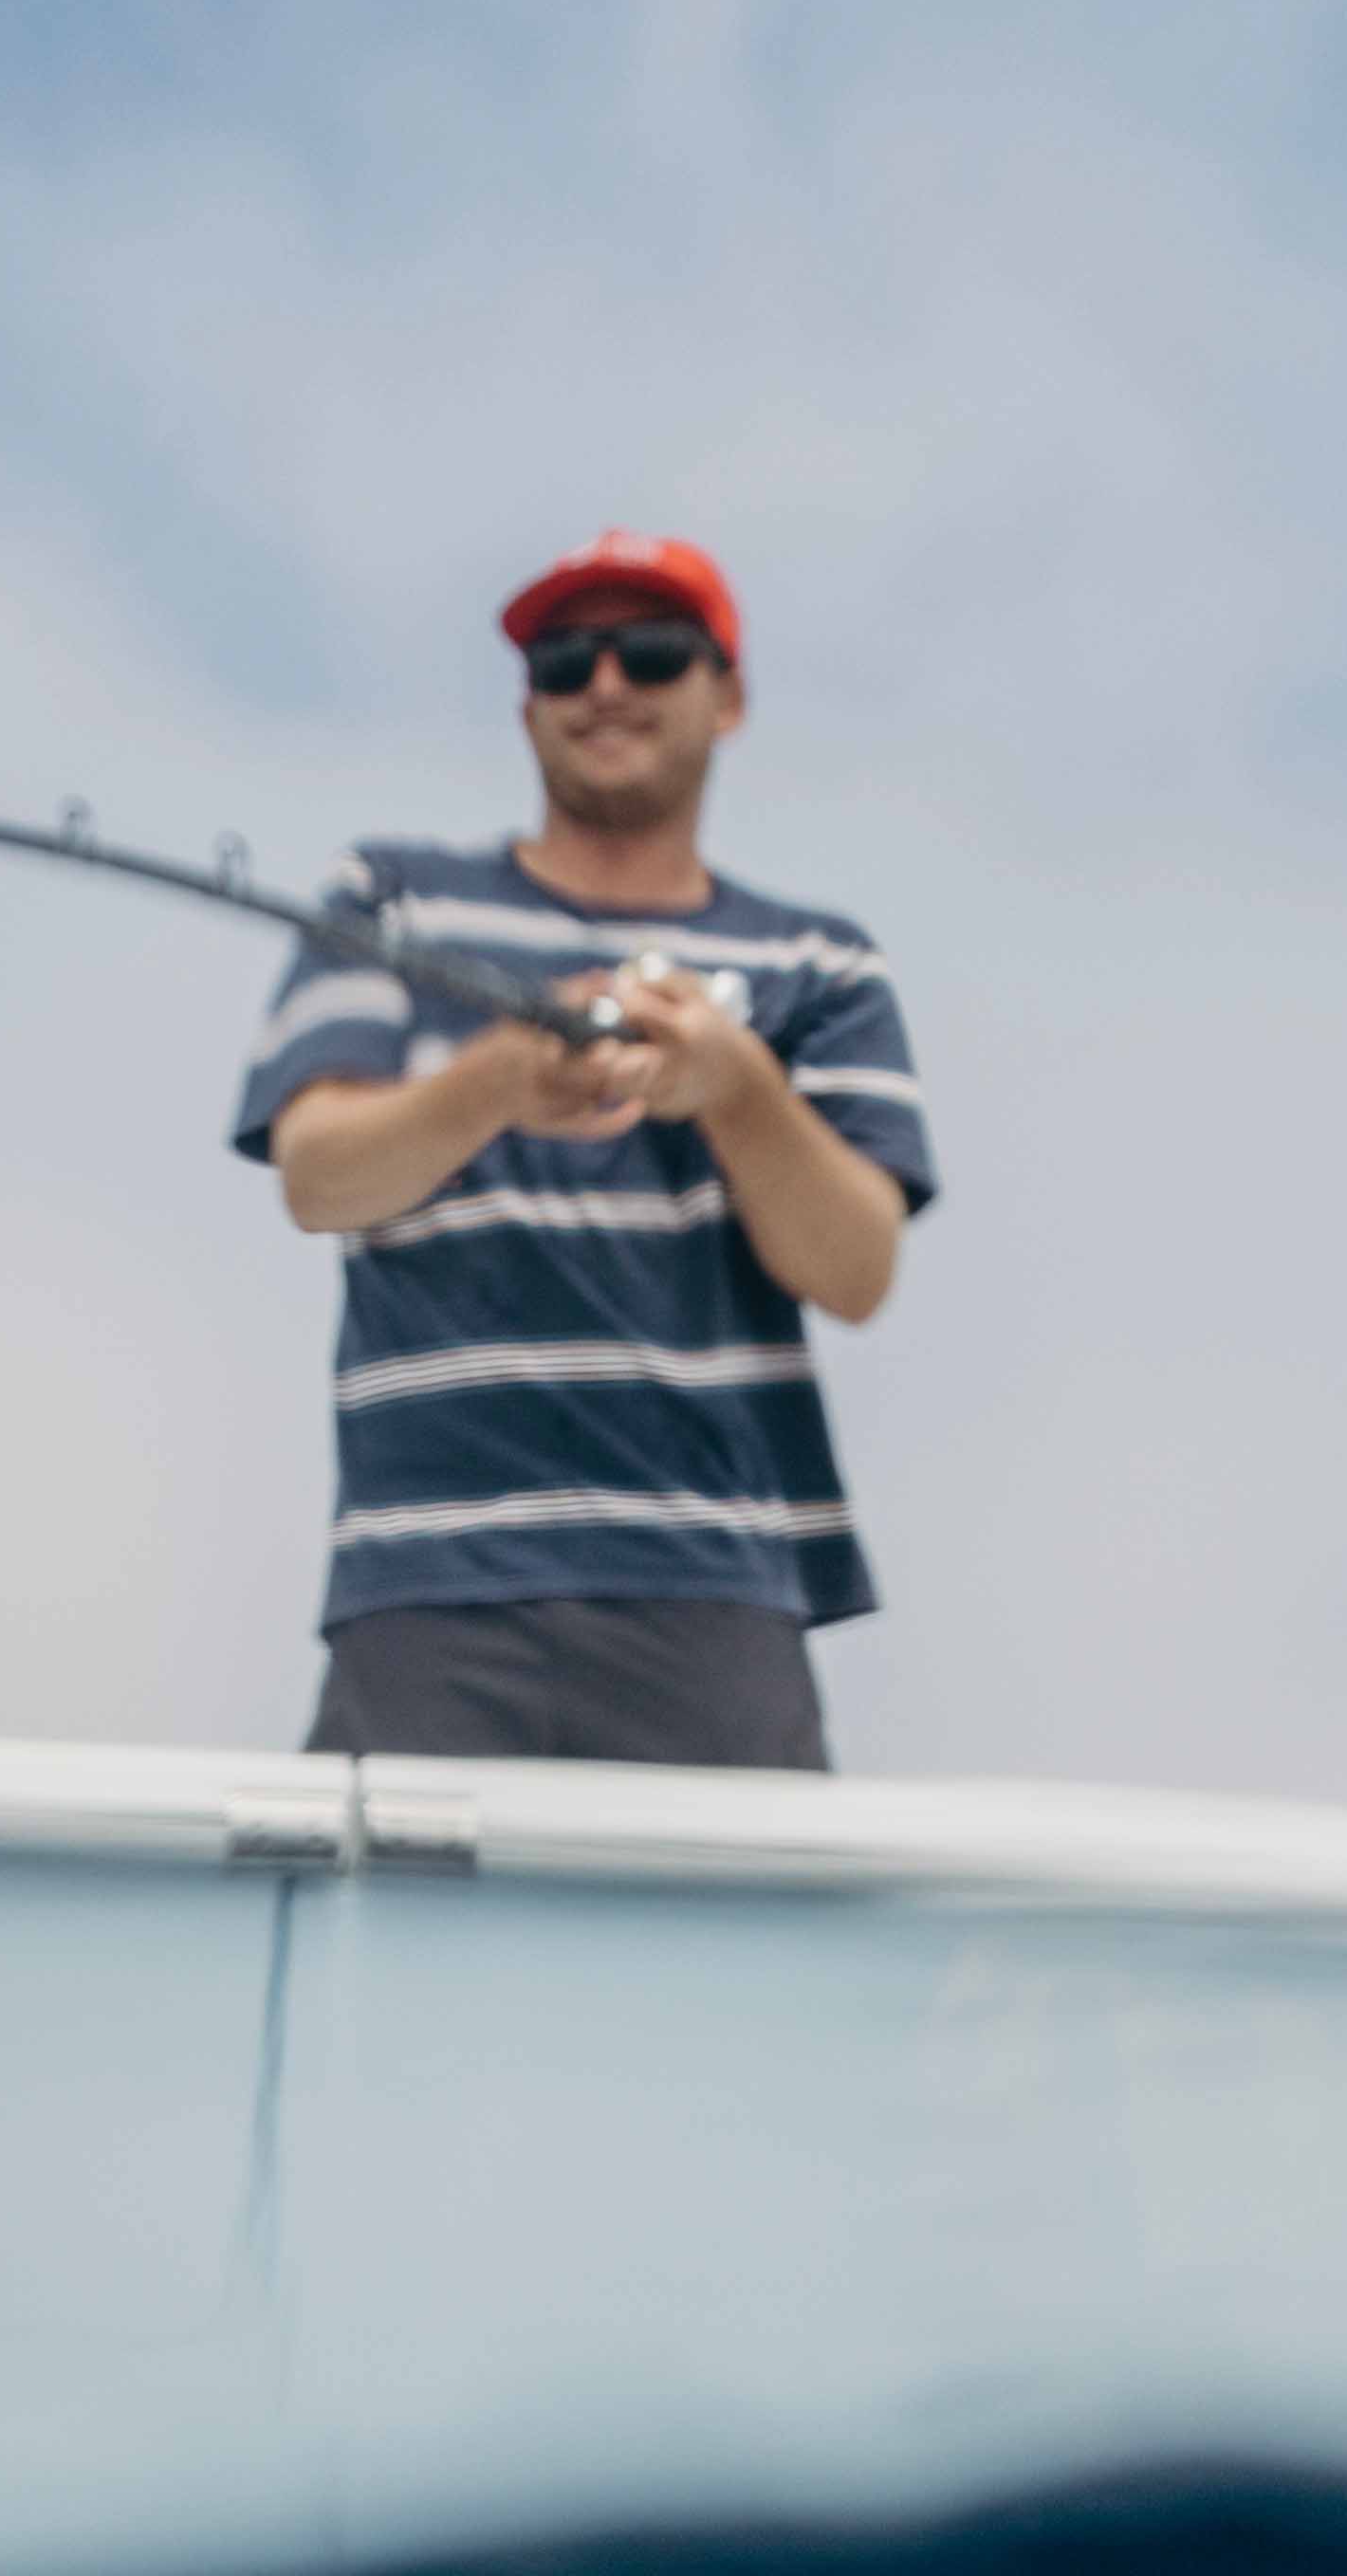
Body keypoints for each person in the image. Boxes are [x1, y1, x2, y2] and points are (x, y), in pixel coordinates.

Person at [233, 528, 931, 1770]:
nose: (605, 683)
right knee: (397, 1962)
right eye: (565, 658)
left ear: (729, 698)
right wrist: (498, 1081)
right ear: (529, 708)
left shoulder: (823, 963)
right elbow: (319, 1176)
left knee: (748, 1968)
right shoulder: (390, 895)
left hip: (725, 1590)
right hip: (422, 1582)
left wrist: (736, 1084)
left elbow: (856, 1268)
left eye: (653, 650)